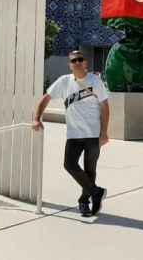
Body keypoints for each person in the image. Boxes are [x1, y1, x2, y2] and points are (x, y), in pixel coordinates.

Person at [32, 50, 110, 216]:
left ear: (86, 63)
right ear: (70, 65)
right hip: (73, 135)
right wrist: (37, 118)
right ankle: (96, 193)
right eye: (74, 61)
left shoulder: (95, 81)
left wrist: (104, 132)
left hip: (93, 134)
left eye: (80, 59)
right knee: (69, 164)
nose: (77, 62)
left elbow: (105, 107)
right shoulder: (64, 81)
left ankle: (84, 201)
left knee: (90, 170)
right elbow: (45, 99)